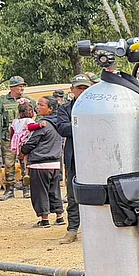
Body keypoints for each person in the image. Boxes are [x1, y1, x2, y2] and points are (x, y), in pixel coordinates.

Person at [55, 74, 92, 243]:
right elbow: (63, 128)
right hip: (74, 158)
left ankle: (96, 231)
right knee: (73, 195)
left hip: (95, 157)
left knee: (99, 194)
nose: (82, 91)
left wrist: (76, 125)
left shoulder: (96, 107)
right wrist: (86, 124)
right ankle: (72, 230)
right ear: (72, 90)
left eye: (85, 87)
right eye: (79, 88)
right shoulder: (64, 109)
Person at [20, 96, 65, 227]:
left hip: (40, 164)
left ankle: (44, 220)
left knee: (40, 192)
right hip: (55, 164)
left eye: (41, 105)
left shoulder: (42, 125)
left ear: (50, 109)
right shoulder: (59, 125)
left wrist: (22, 152)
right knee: (54, 191)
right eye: (37, 104)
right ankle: (59, 217)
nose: (37, 107)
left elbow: (31, 143)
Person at [0, 76, 28, 200]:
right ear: (12, 87)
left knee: (25, 163)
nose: (22, 88)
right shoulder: (2, 101)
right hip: (7, 137)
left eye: (23, 85)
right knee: (9, 164)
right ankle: (9, 190)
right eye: (19, 86)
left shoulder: (27, 100)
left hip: (23, 138)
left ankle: (26, 189)